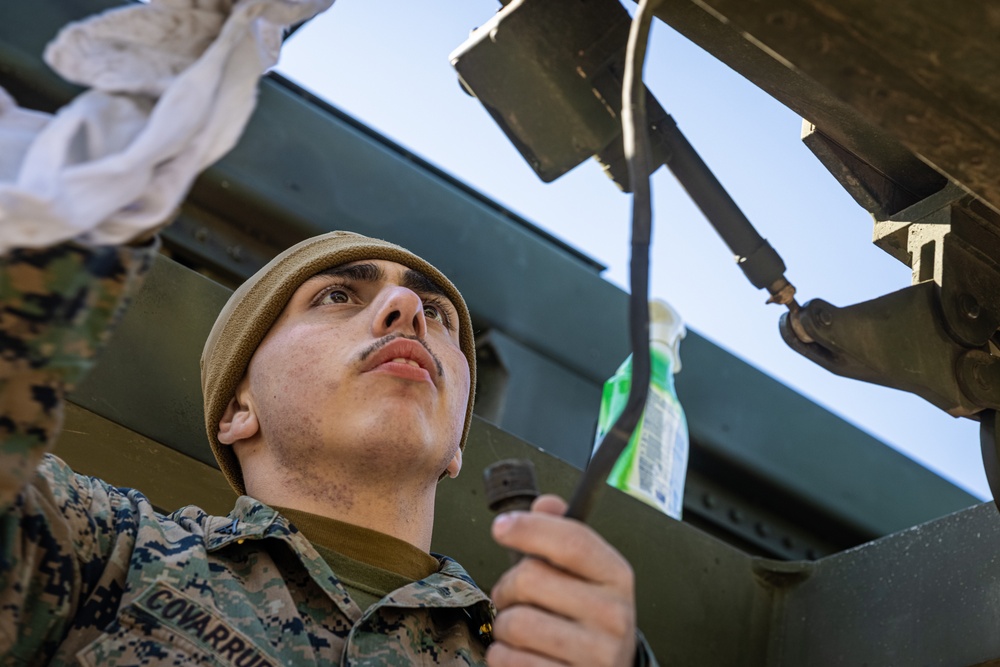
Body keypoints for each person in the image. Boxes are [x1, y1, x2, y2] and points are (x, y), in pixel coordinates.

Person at [1, 230, 656, 665]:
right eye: (338, 294)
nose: (406, 308)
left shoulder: (549, 646)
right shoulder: (106, 545)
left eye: (436, 312)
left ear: (457, 443)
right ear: (237, 408)